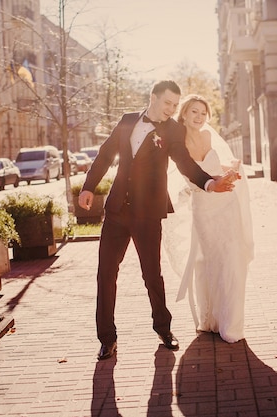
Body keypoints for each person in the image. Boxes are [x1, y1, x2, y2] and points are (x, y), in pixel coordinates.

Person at [78, 80, 238, 360]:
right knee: (105, 274)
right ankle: (107, 338)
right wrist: (88, 186)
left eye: (175, 105)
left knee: (152, 274)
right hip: (117, 211)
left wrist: (209, 183)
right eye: (168, 103)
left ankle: (163, 329)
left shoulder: (172, 130)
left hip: (148, 212)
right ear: (152, 98)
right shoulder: (127, 121)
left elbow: (184, 162)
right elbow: (105, 155)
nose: (171, 109)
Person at [164, 94, 254, 343]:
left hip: (227, 204)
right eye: (194, 111)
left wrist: (231, 170)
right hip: (203, 207)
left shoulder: (209, 136)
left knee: (232, 259)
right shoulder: (176, 142)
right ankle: (210, 319)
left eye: (203, 113)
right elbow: (188, 173)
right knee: (209, 261)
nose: (199, 117)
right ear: (183, 113)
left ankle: (230, 322)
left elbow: (219, 167)